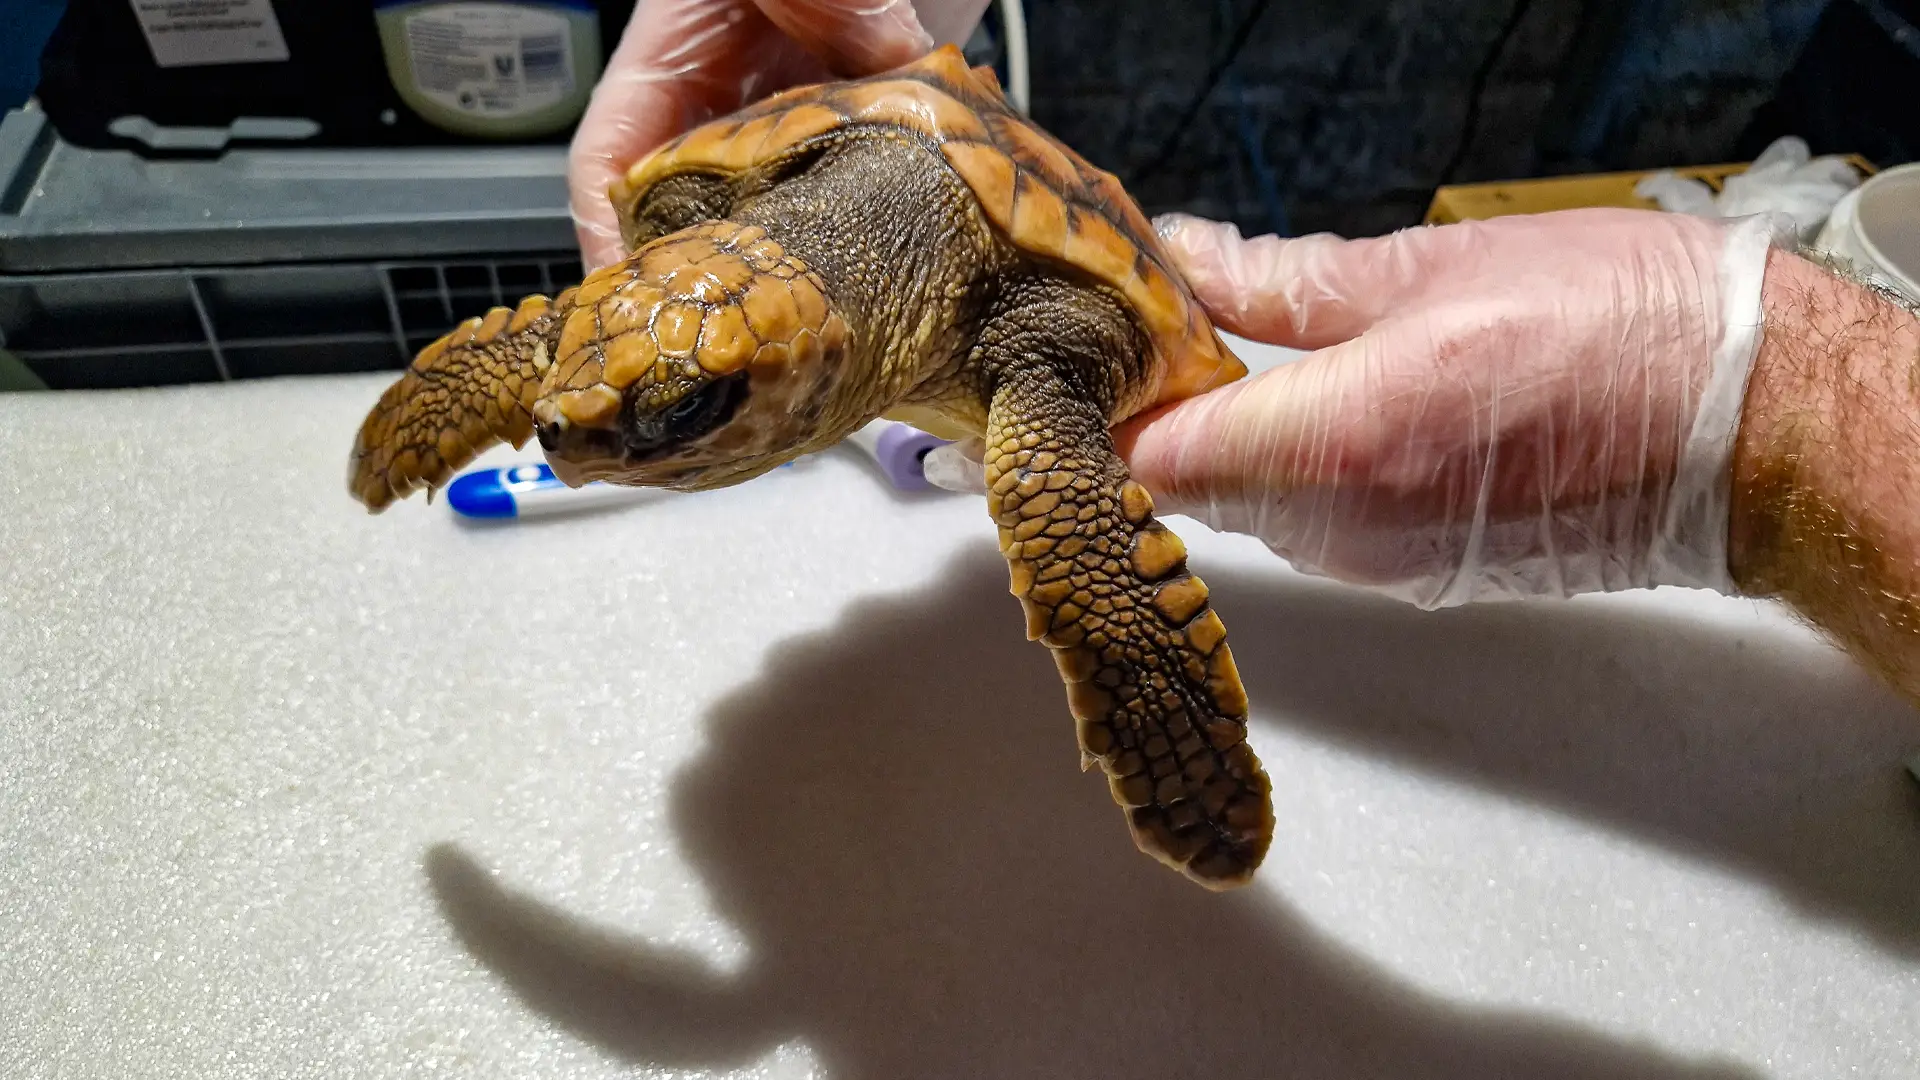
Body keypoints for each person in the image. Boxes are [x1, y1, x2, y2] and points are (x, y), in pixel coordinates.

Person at [569, 0, 1920, 704]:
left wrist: (1767, 418)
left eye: (675, 411)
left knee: (1059, 505)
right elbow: (589, 355)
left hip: (1052, 301)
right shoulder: (702, 199)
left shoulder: (1037, 349)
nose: (582, 445)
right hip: (852, 172)